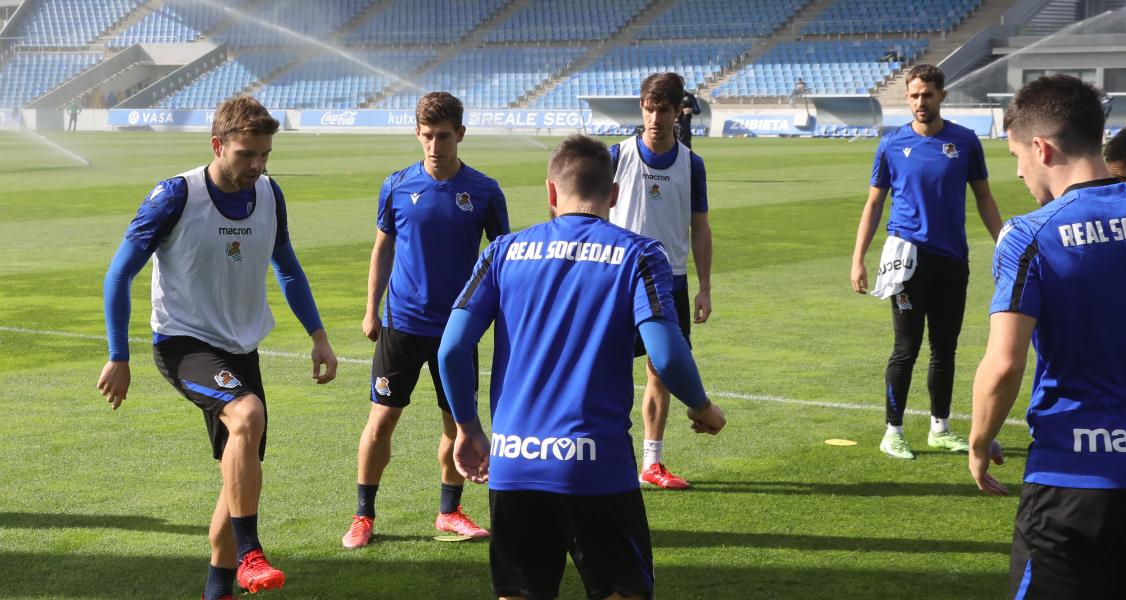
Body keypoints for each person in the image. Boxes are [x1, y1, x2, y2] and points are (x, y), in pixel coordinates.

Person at [437, 134, 727, 600]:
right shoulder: (640, 254)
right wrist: (702, 406)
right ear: (613, 195)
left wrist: (468, 429)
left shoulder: (503, 251)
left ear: (551, 193)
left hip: (515, 464)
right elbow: (667, 354)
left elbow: (451, 350)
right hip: (597, 468)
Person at [96, 96, 338, 600]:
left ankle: (218, 589)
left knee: (239, 473)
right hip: (184, 342)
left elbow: (287, 266)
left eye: (265, 155)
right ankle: (251, 554)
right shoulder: (174, 195)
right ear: (217, 145)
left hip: (240, 347)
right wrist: (120, 355)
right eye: (247, 154)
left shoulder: (270, 194)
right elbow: (119, 273)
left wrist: (318, 335)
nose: (257, 166)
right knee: (247, 416)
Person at [969, 74, 1126, 599]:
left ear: (1040, 147)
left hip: (1073, 477)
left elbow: (1004, 364)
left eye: (1015, 156)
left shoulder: (1031, 234)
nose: (1020, 172)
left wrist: (979, 442)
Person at [341, 91, 509, 549]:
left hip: (458, 329)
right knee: (381, 421)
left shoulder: (484, 190)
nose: (435, 145)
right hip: (402, 323)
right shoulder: (396, 185)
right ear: (417, 133)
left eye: (444, 136)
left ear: (461, 134)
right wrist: (370, 309)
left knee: (456, 424)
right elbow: (383, 248)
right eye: (428, 136)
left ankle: (449, 510)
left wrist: (504, 314)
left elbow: (502, 259)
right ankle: (363, 516)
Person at [850, 63, 1003, 460]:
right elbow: (873, 203)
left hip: (953, 259)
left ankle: (940, 427)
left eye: (928, 94)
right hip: (907, 259)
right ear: (907, 97)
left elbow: (984, 197)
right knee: (906, 348)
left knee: (945, 348)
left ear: (942, 96)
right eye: (915, 95)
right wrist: (858, 258)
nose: (921, 101)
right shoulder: (891, 144)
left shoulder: (965, 141)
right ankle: (893, 431)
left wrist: (1004, 243)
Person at [609, 72, 713, 489]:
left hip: (670, 282)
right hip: (618, 278)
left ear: (677, 113)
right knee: (606, 369)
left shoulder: (692, 164)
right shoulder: (616, 156)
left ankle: (651, 462)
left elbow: (700, 227)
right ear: (641, 108)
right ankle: (605, 453)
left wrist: (704, 286)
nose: (654, 118)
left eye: (663, 110)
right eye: (648, 109)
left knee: (661, 371)